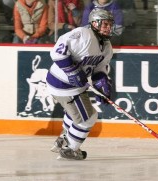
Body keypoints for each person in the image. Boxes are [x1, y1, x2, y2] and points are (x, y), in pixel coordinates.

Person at [46, 8, 114, 160]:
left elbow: (100, 69)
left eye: (110, 24)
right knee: (88, 118)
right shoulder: (83, 34)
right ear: (94, 23)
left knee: (77, 113)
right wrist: (71, 70)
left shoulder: (107, 46)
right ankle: (71, 148)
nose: (109, 28)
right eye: (105, 24)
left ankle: (63, 139)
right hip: (63, 83)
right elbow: (57, 52)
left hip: (74, 86)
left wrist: (102, 82)